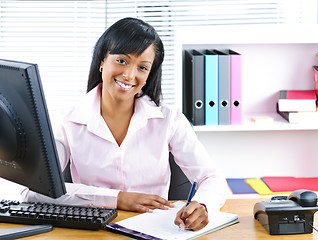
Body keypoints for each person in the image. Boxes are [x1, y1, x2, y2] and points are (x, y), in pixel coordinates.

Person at [23, 17, 229, 231]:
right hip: (92, 230)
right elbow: (36, 190)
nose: (130, 75)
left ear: (149, 74)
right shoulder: (67, 119)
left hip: (155, 230)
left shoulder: (169, 118)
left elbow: (212, 177)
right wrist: (117, 198)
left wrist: (203, 204)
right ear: (102, 60)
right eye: (121, 60)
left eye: (142, 67)